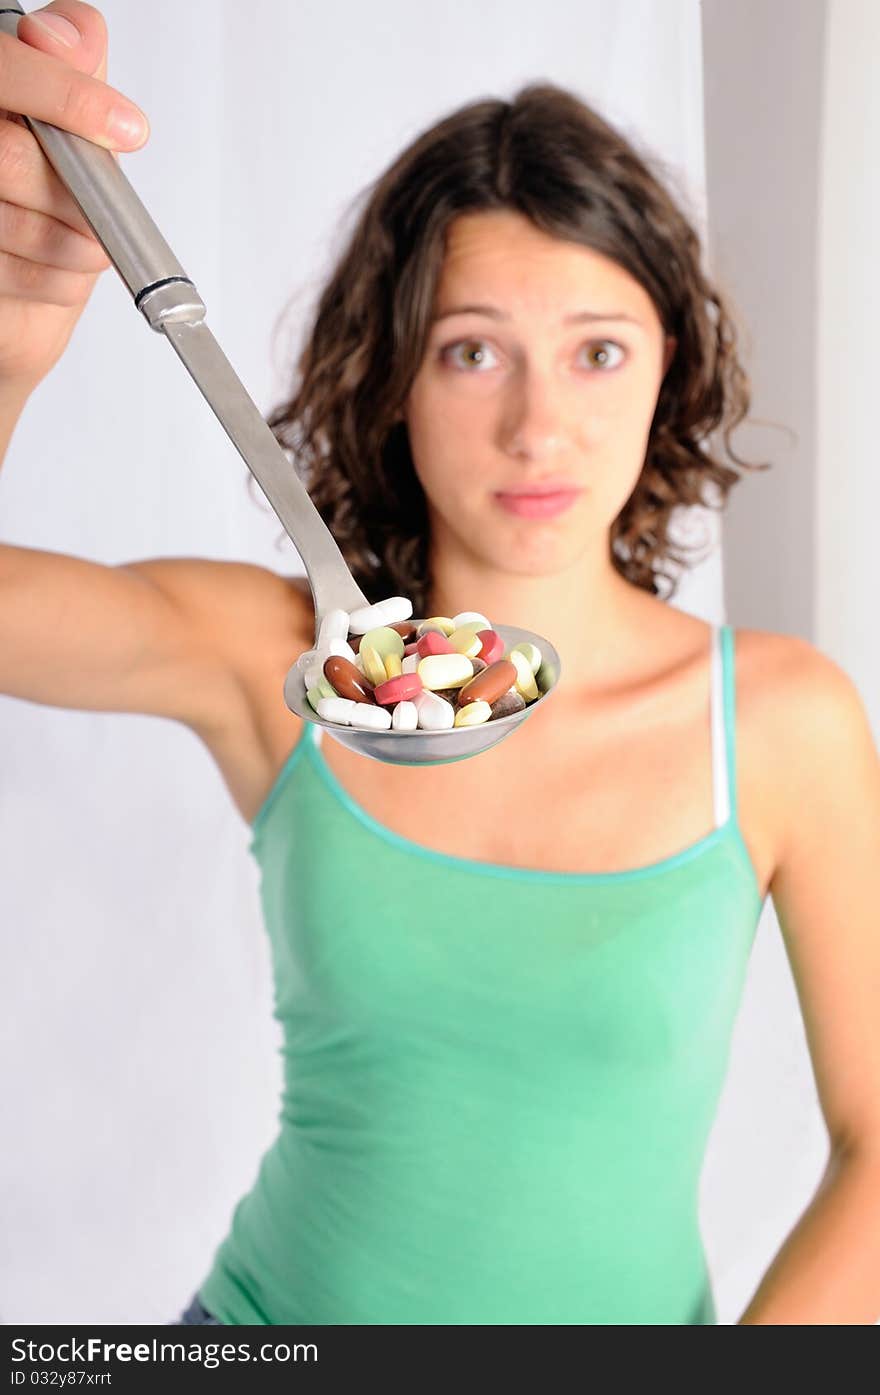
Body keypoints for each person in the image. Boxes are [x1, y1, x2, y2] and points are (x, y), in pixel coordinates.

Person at [2, 2, 879, 1327]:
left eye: (596, 351)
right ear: (393, 376)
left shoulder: (777, 722)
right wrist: (9, 351)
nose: (541, 426)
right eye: (473, 351)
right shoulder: (280, 660)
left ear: (669, 370)